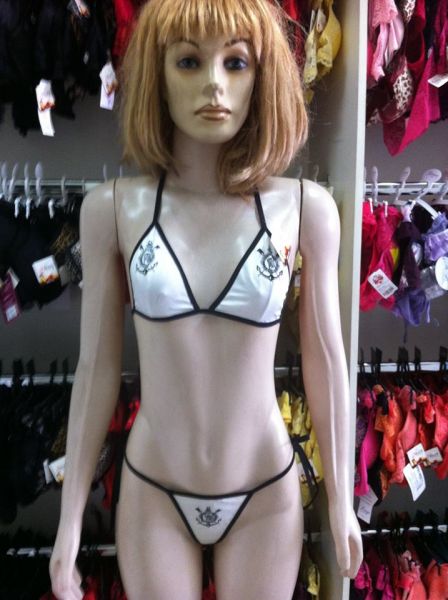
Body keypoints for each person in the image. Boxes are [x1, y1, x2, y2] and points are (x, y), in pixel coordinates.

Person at [50, 1, 363, 598]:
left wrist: (342, 501)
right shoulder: (112, 210)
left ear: (262, 76)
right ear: (158, 74)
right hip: (154, 488)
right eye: (190, 61)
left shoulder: (307, 209)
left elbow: (326, 359)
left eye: (236, 63)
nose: (214, 84)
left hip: (264, 490)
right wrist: (69, 522)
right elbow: (95, 370)